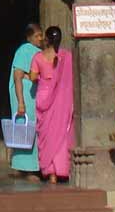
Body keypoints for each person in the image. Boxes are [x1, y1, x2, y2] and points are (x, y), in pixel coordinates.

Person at [30, 24, 74, 181]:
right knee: (61, 132)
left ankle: (52, 174)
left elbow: (33, 77)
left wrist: (46, 77)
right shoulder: (67, 56)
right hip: (62, 99)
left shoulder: (38, 57)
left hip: (44, 96)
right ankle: (62, 170)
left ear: (46, 39)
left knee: (48, 135)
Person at [7, 23, 43, 177]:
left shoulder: (39, 52)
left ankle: (26, 166)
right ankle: (27, 168)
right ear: (29, 37)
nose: (40, 38)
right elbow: (18, 75)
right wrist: (21, 101)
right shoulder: (24, 50)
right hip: (24, 95)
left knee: (31, 128)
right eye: (37, 36)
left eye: (41, 35)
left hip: (33, 95)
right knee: (25, 128)